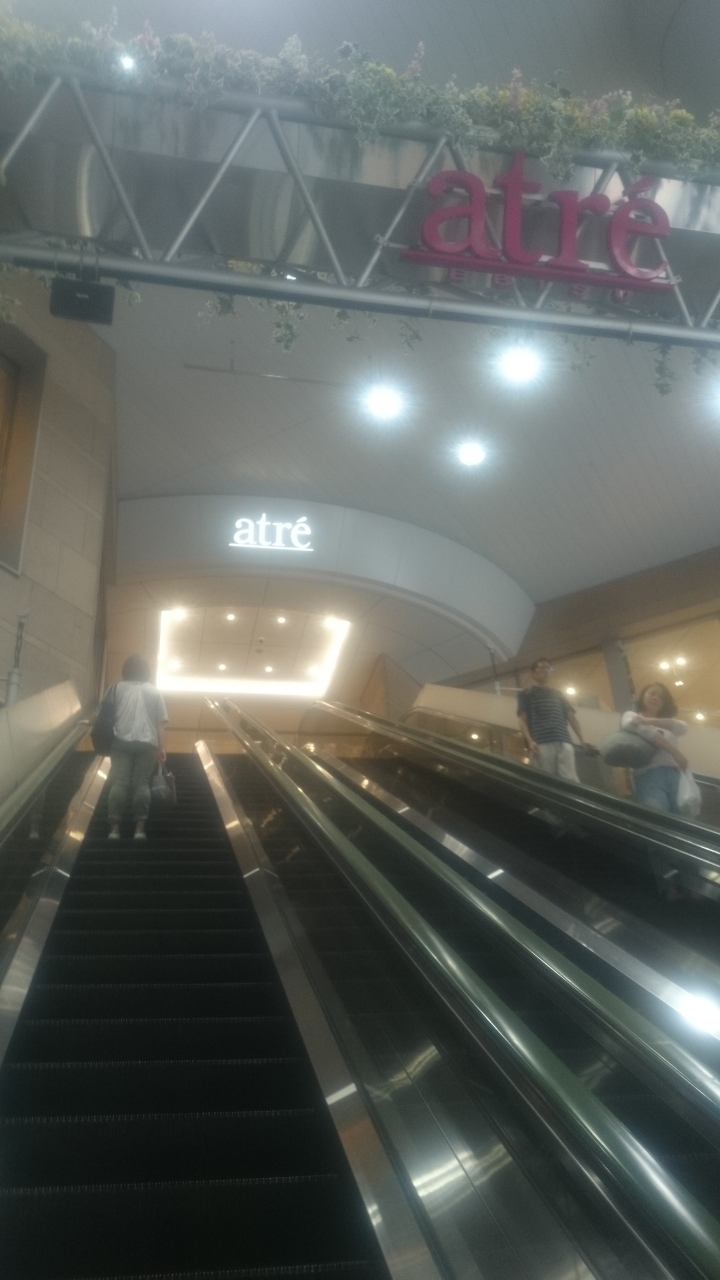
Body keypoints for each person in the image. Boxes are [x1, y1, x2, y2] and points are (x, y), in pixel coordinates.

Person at [106, 655, 169, 841]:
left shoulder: (115, 689)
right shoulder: (155, 692)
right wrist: (162, 747)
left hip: (120, 742)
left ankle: (114, 830)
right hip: (147, 744)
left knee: (119, 783)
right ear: (146, 672)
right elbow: (160, 724)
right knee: (142, 784)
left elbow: (104, 716)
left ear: (125, 670)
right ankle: (139, 830)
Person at [517, 658, 591, 782]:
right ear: (533, 674)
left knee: (570, 781)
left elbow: (571, 717)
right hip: (541, 742)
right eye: (542, 667)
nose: (546, 671)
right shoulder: (526, 694)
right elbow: (522, 720)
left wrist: (582, 740)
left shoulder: (558, 694)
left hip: (564, 740)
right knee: (546, 781)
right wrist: (530, 742)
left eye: (548, 668)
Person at [621, 683, 688, 814]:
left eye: (661, 697)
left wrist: (648, 721)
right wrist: (674, 752)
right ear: (643, 695)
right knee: (656, 815)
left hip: (675, 773)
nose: (656, 698)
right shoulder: (630, 715)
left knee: (683, 818)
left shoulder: (667, 722)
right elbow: (642, 730)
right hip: (648, 773)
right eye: (652, 693)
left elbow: (683, 727)